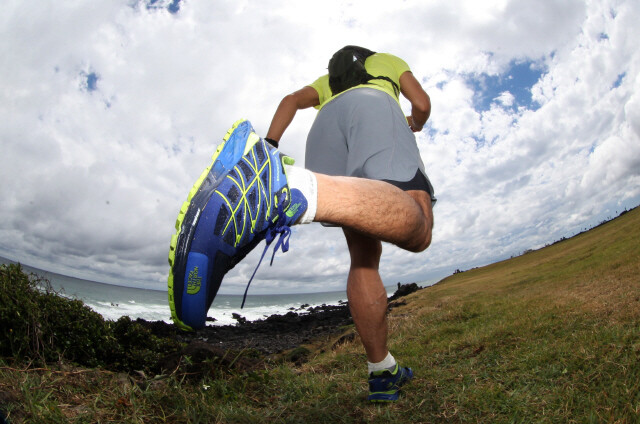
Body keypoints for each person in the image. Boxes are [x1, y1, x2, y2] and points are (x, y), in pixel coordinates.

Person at [167, 46, 435, 403]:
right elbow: (422, 104)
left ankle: (383, 371)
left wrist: (270, 144)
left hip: (325, 130)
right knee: (419, 226)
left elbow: (291, 100)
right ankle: (284, 190)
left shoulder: (327, 83)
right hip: (375, 110)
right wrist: (414, 124)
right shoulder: (388, 62)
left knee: (364, 255)